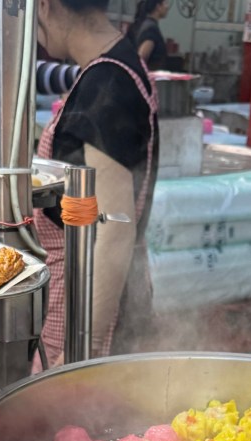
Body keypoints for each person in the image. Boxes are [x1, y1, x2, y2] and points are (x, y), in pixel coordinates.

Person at [35, 0, 159, 367]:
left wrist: (76, 355)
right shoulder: (117, 64)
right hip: (88, 290)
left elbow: (114, 231)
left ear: (45, 5)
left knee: (70, 401)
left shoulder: (107, 85)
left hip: (88, 301)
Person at [128, 0, 169, 71]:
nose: (167, 7)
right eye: (165, 3)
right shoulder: (151, 29)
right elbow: (141, 58)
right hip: (150, 75)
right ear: (158, 7)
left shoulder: (146, 25)